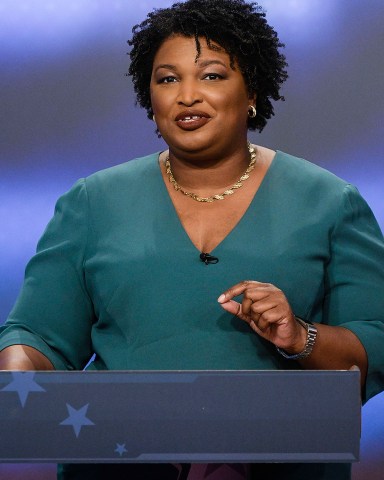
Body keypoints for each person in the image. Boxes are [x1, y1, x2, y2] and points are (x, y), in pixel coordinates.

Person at [1, 0, 384, 478]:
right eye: (167, 79)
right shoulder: (91, 202)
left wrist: (299, 337)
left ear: (252, 92)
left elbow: (372, 347)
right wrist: (17, 366)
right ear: (151, 99)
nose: (186, 96)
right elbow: (41, 336)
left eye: (212, 75)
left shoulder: (330, 202)